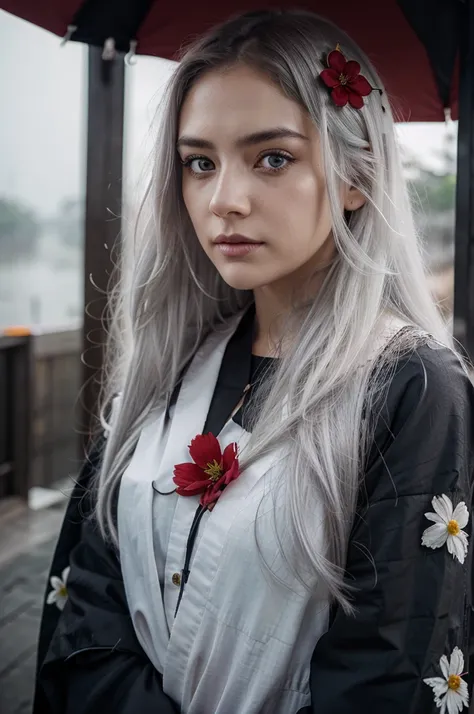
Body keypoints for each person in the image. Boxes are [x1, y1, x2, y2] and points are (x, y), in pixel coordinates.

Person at [34, 9, 474, 714]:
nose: (223, 201)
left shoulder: (411, 385)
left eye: (273, 158)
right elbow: (92, 598)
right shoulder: (175, 363)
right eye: (199, 162)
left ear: (356, 176)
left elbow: (385, 670)